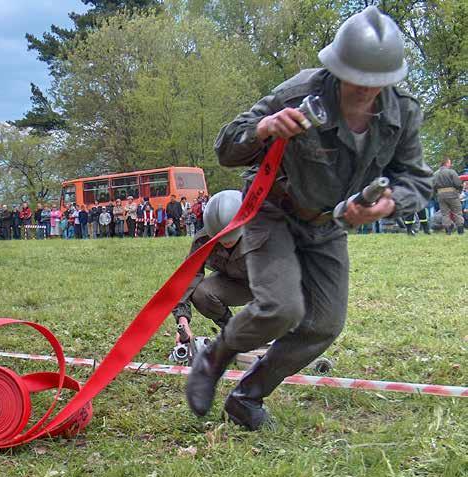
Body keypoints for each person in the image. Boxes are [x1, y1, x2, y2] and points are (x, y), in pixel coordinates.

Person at [190, 6, 433, 431]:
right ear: (337, 68)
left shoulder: (403, 113)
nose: (365, 90)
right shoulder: (300, 92)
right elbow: (226, 148)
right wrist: (265, 128)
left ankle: (246, 398)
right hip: (272, 210)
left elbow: (416, 180)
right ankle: (216, 354)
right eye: (355, 78)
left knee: (324, 323)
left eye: (377, 82)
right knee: (281, 307)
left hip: (327, 223)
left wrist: (386, 204)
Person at [173, 191, 250, 341]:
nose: (226, 241)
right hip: (235, 283)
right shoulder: (203, 240)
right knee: (201, 294)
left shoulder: (263, 233)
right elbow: (188, 277)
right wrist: (182, 321)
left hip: (270, 285)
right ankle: (233, 330)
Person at [433, 158, 464, 234]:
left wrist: (437, 193)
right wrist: (459, 191)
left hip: (440, 195)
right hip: (452, 194)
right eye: (450, 163)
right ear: (446, 163)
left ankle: (448, 232)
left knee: (445, 213)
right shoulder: (451, 172)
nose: (450, 164)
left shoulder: (435, 173)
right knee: (457, 212)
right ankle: (460, 231)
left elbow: (432, 186)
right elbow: (458, 183)